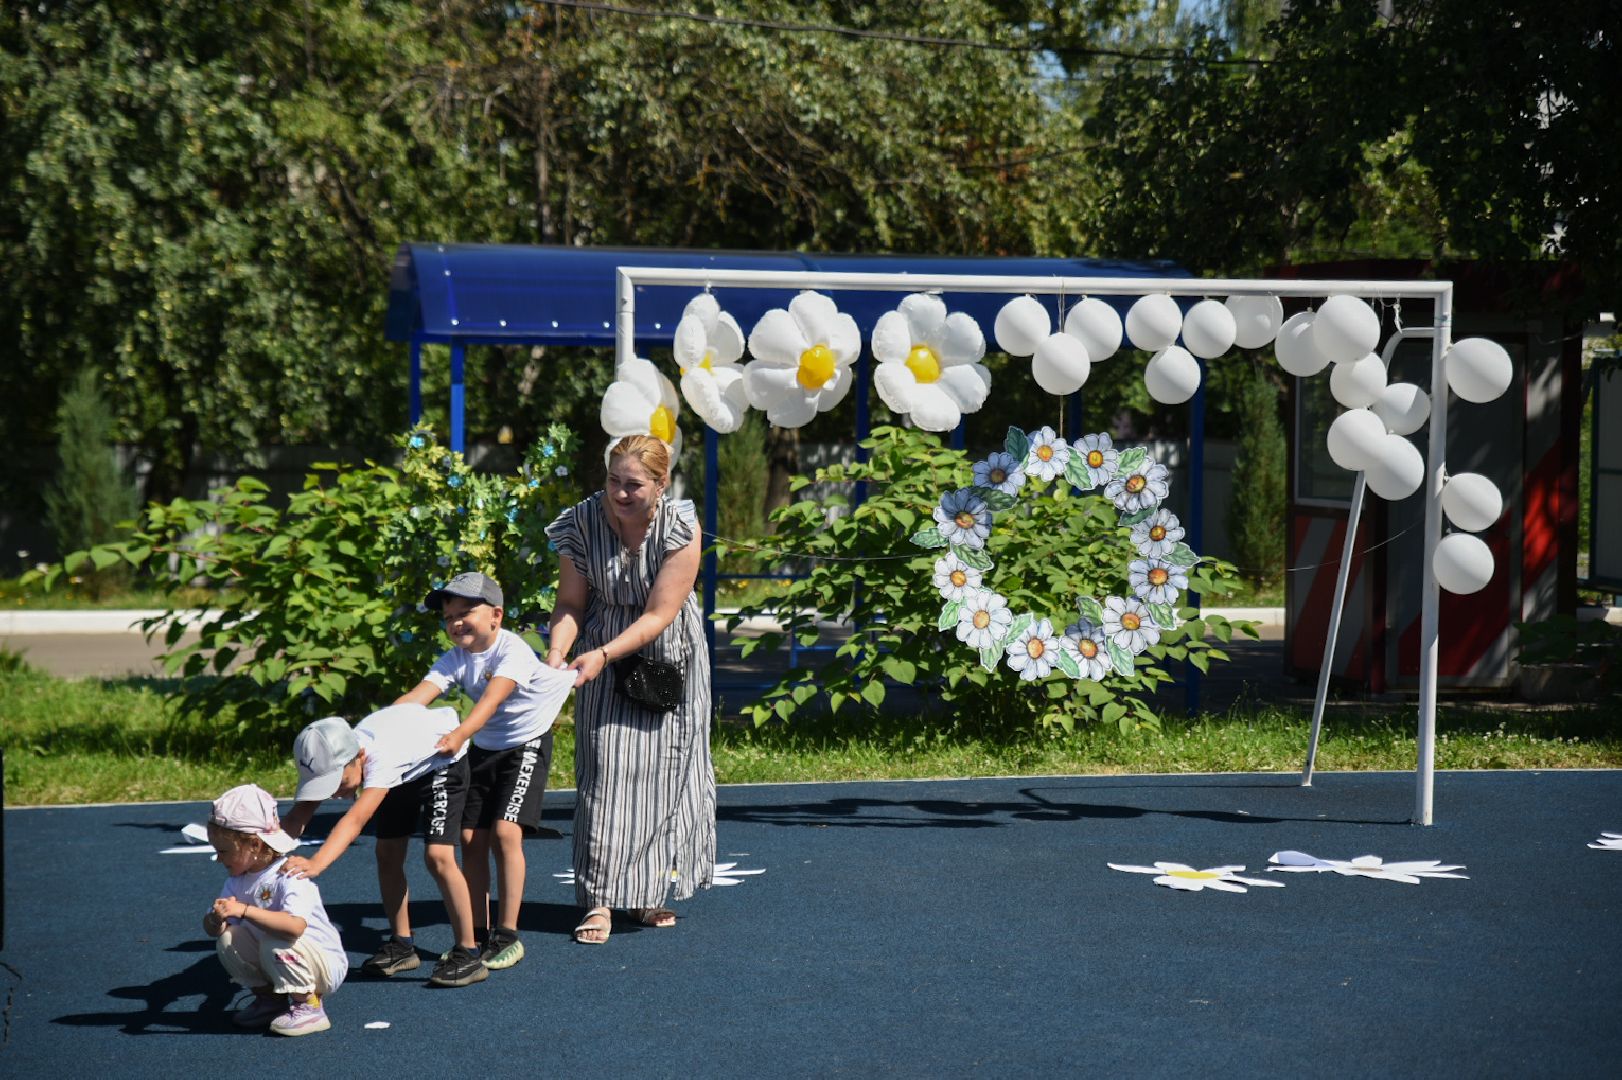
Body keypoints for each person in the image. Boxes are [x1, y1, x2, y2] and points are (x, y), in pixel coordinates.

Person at [544, 433, 716, 945]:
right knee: (602, 773)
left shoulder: (680, 526)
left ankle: (645, 892)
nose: (620, 493)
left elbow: (660, 614)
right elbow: (570, 604)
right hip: (600, 651)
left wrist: (604, 653)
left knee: (665, 775)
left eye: (634, 485)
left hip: (665, 654)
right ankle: (598, 900)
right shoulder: (581, 522)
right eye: (613, 481)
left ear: (661, 484)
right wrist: (557, 654)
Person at [394, 570, 574, 971]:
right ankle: (475, 933)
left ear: (496, 615)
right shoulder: (456, 658)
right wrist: (379, 729)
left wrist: (459, 734)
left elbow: (491, 701)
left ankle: (507, 934)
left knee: (506, 833)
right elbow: (419, 695)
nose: (455, 622)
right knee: (470, 838)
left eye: (465, 612)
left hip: (525, 743)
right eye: (448, 617)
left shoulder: (513, 651)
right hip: (485, 748)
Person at [279, 704, 487, 987]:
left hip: (441, 763)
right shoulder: (342, 756)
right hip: (404, 771)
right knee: (387, 854)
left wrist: (317, 863)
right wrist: (265, 850)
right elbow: (297, 816)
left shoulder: (379, 761)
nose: (334, 793)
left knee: (438, 857)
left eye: (337, 782)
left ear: (359, 758)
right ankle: (402, 945)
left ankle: (468, 952)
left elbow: (355, 820)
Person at [203, 784, 347, 1036]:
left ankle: (310, 1005)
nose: (218, 858)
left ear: (254, 845)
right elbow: (212, 930)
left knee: (275, 940)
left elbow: (294, 927)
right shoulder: (236, 881)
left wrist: (244, 910)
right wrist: (216, 919)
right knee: (228, 939)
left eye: (223, 851)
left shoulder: (289, 875)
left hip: (322, 963)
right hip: (282, 955)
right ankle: (270, 1000)